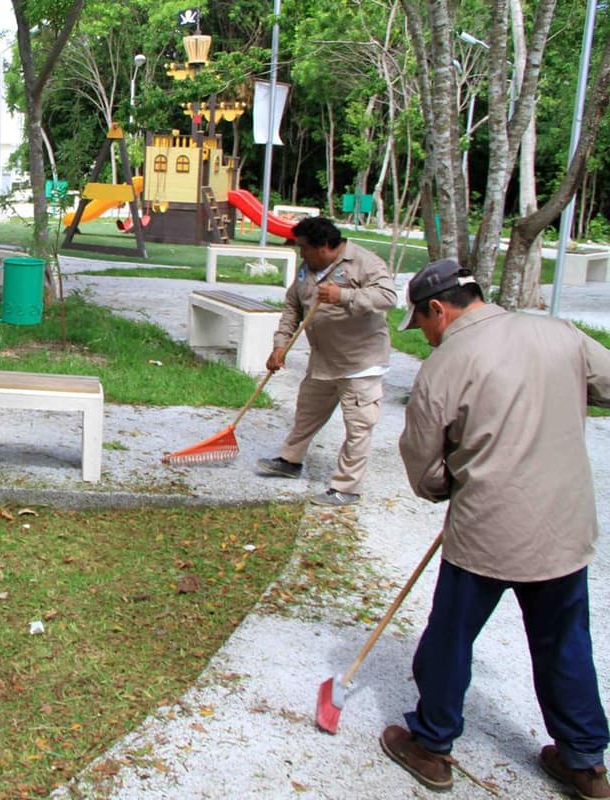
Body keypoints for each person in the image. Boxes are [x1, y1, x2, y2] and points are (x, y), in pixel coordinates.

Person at [383, 258, 610, 797]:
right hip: (562, 527)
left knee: (450, 638)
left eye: (424, 324)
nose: (429, 339)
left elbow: (422, 458)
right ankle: (585, 764)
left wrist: (444, 486)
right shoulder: (560, 333)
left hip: (487, 529)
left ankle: (432, 746)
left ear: (438, 308)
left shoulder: (445, 364)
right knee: (565, 642)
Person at [255, 216, 396, 506]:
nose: (300, 254)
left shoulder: (364, 262)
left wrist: (343, 295)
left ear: (324, 247)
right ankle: (289, 461)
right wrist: (280, 345)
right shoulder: (308, 269)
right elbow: (293, 306)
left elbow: (387, 297)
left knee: (358, 426)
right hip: (323, 361)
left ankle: (347, 487)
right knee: (307, 412)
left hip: (361, 363)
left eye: (304, 248)